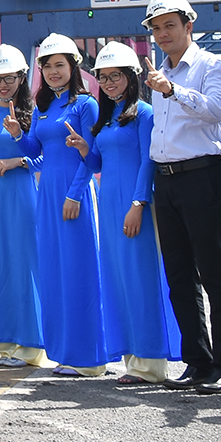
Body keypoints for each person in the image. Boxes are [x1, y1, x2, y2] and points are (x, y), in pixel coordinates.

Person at [141, 0, 221, 395]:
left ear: (188, 26)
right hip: (166, 180)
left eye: (169, 25)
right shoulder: (157, 73)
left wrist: (172, 91)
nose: (163, 34)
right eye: (156, 28)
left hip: (202, 175)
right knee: (179, 275)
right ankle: (196, 361)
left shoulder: (210, 65)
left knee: (214, 272)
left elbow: (218, 110)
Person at [88, 42, 182, 384]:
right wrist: (85, 147)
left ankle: (151, 363)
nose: (110, 82)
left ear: (132, 77)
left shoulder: (145, 113)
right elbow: (98, 164)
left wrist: (139, 204)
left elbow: (149, 159)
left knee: (141, 280)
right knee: (118, 280)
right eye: (104, 77)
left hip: (134, 206)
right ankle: (131, 358)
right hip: (109, 205)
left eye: (117, 76)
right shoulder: (107, 118)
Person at [17, 34, 104, 376]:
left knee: (80, 270)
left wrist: (75, 193)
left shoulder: (86, 104)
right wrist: (15, 134)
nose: (53, 72)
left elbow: (91, 156)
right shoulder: (43, 106)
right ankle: (66, 351)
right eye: (47, 66)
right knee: (55, 271)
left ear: (74, 66)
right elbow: (33, 151)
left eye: (59, 65)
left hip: (73, 194)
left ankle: (91, 357)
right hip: (47, 195)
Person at [0, 46, 44, 366]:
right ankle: (4, 344)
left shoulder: (36, 114)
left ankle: (31, 345)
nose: (3, 84)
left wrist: (21, 159)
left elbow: (46, 157)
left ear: (22, 77)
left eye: (9, 78)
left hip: (23, 196)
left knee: (24, 266)